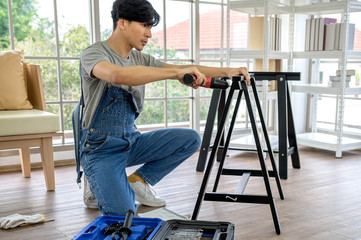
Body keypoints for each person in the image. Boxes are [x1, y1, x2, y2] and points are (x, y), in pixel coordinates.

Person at [79, 0, 250, 216]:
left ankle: (138, 181)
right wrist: (175, 74)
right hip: (100, 148)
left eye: (150, 27)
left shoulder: (140, 58)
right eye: (144, 25)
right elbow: (116, 75)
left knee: (190, 139)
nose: (149, 34)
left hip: (130, 141)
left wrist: (227, 71)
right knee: (125, 216)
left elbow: (182, 68)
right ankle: (96, 180)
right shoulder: (94, 53)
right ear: (122, 23)